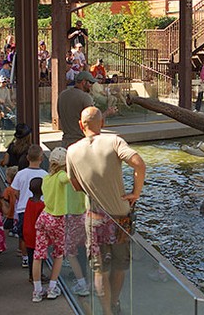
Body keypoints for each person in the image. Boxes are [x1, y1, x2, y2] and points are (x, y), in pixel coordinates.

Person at [67, 106, 146, 315]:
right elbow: (139, 164)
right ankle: (115, 303)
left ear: (80, 125)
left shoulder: (72, 151)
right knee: (119, 266)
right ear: (102, 123)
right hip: (120, 218)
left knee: (99, 270)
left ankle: (107, 312)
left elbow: (75, 185)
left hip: (94, 219)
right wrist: (135, 193)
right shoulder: (114, 141)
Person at [32, 147, 89, 302]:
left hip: (44, 217)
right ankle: (52, 287)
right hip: (57, 220)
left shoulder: (45, 178)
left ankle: (37, 290)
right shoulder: (62, 176)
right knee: (58, 254)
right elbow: (68, 180)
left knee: (38, 254)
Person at [11, 144, 48, 269]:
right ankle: (39, 259)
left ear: (27, 158)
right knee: (40, 236)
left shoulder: (20, 174)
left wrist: (20, 197)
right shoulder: (45, 174)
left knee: (25, 236)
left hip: (23, 209)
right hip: (41, 208)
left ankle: (25, 257)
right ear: (41, 158)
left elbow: (14, 191)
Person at [57, 71, 96, 149]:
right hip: (80, 144)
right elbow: (93, 120)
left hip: (65, 143)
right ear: (83, 82)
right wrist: (107, 113)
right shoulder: (85, 97)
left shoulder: (62, 95)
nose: (91, 86)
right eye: (90, 83)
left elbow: (59, 115)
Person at [23, 177, 45, 284]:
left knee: (31, 255)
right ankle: (38, 275)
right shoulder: (41, 205)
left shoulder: (29, 201)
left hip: (28, 232)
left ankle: (31, 275)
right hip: (37, 234)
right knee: (39, 256)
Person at [2, 166, 19, 237]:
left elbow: (5, 203)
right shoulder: (20, 189)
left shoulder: (8, 190)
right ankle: (16, 230)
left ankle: (12, 230)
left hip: (10, 215)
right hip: (18, 214)